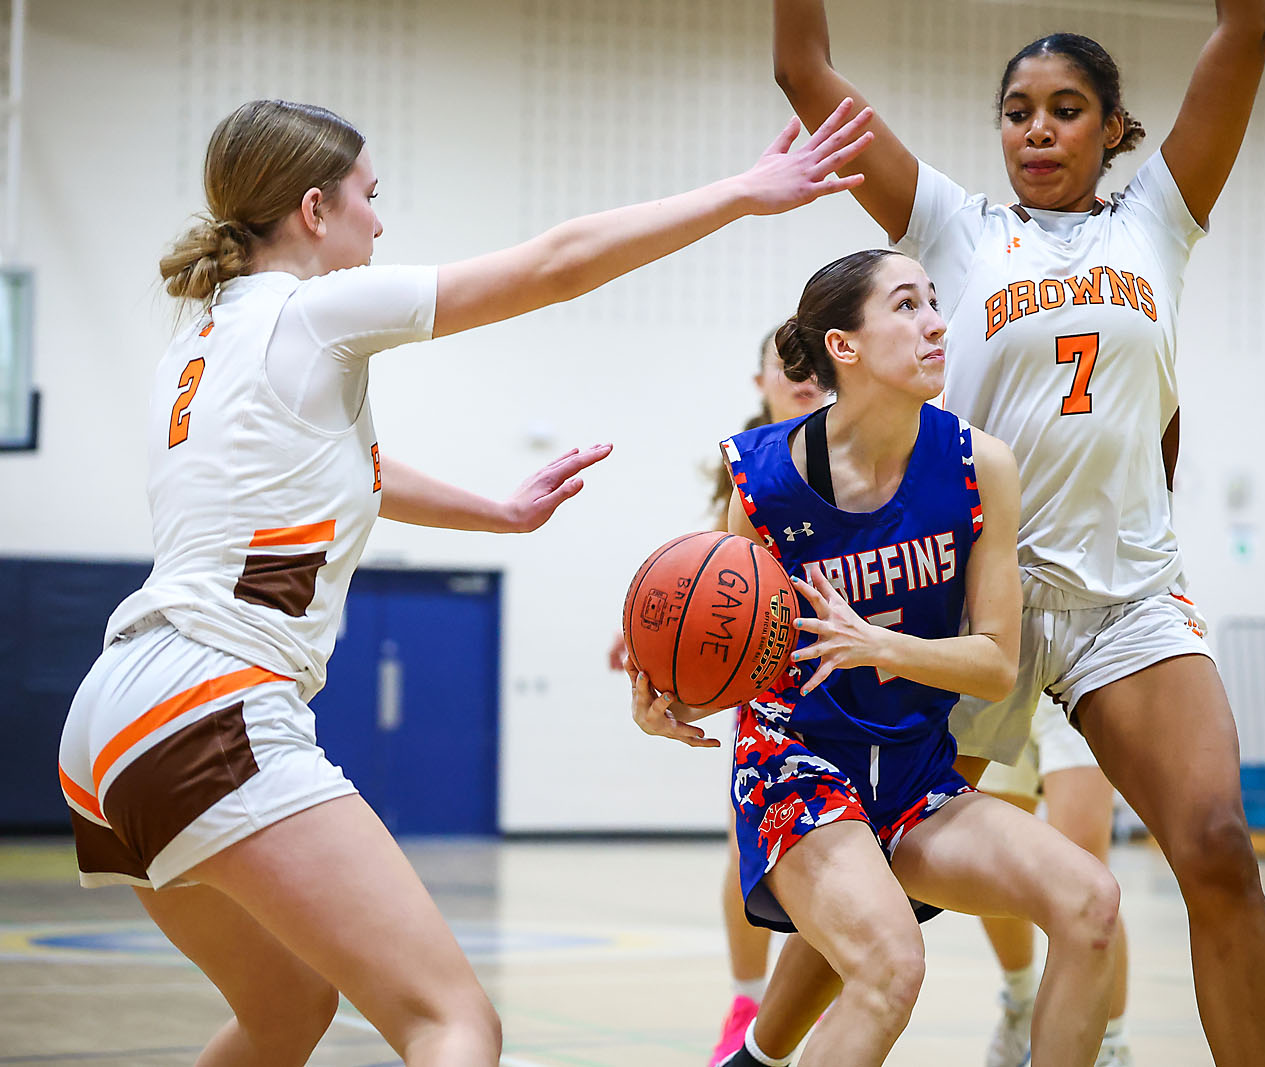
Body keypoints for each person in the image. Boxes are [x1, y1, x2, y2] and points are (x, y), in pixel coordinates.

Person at [55, 96, 873, 1067]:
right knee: (454, 1023)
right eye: (369, 195)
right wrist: (741, 194)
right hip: (211, 706)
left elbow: (351, 468)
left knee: (286, 1012)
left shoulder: (195, 349)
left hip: (107, 722)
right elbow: (551, 265)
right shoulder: (309, 311)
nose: (380, 219)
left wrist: (498, 510)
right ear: (313, 210)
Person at [731, 2, 1265, 1064]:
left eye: (1065, 111)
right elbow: (803, 69)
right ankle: (756, 1055)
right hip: (968, 591)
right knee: (886, 850)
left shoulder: (1160, 218)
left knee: (1216, 846)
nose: (1036, 129)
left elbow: (1247, 26)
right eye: (1016, 111)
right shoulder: (954, 228)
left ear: (1113, 128)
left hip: (1123, 597)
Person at [631, 249, 1121, 1067]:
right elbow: (726, 643)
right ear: (845, 347)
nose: (935, 321)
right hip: (799, 765)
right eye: (906, 306)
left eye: (935, 302)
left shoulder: (980, 465)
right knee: (891, 963)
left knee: (1091, 902)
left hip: (915, 775)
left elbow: (998, 663)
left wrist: (882, 644)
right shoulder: (763, 480)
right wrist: (669, 699)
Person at [607, 329, 829, 1065]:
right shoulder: (743, 464)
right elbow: (710, 569)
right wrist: (656, 637)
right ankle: (746, 1003)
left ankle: (814, 1004)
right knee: (751, 846)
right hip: (763, 668)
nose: (799, 376)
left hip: (845, 668)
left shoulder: (853, 452)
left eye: (810, 365)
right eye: (784, 363)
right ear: (759, 377)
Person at [976, 699, 1131, 1067]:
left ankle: (1109, 1045)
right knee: (992, 861)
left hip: (1077, 673)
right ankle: (1022, 1002)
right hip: (1005, 675)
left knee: (1086, 878)